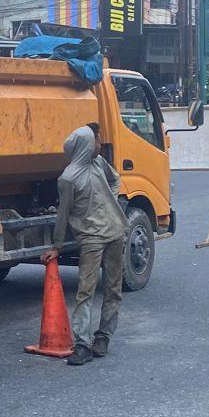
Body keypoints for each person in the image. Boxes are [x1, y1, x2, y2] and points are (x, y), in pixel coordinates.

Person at [41, 124, 128, 365]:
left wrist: (112, 202)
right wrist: (57, 246)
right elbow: (63, 213)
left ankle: (103, 337)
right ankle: (82, 344)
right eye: (96, 141)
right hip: (91, 237)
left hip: (115, 231)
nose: (99, 144)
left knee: (113, 289)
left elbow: (115, 179)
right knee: (85, 291)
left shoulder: (99, 163)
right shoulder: (67, 179)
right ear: (85, 146)